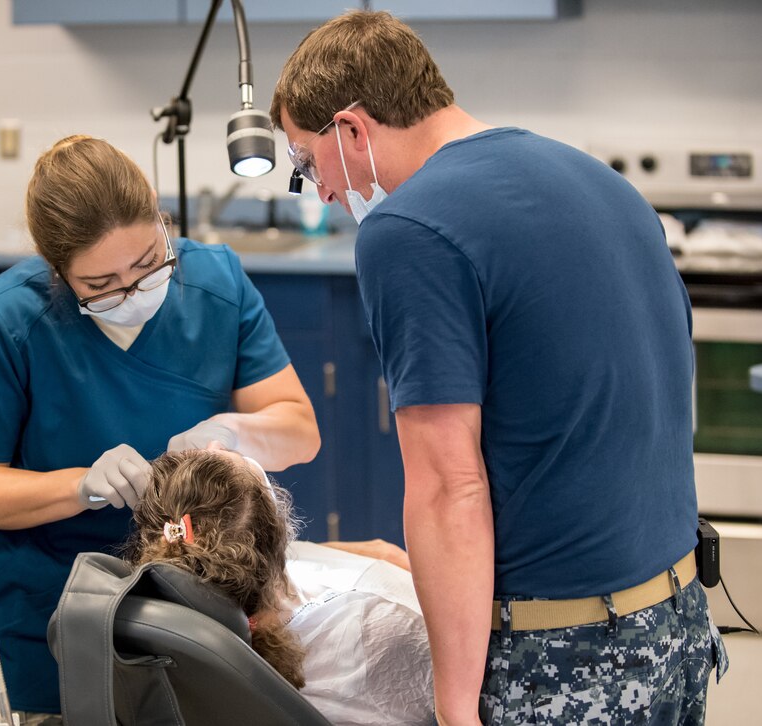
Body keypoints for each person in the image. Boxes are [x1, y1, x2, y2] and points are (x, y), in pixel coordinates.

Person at [270, 11, 727, 726]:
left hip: (566, 660)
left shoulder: (408, 231)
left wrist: (455, 707)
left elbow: (450, 488)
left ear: (352, 130)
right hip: (677, 625)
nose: (320, 192)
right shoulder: (593, 177)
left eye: (306, 161)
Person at [0, 135, 320, 721]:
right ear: (58, 273)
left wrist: (234, 431)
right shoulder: (2, 322)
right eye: (100, 286)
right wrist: (81, 486)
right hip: (32, 636)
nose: (132, 293)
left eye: (146, 265)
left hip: (178, 629)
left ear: (162, 220)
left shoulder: (216, 285)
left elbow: (299, 429)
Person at [129, 447, 435, 726]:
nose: (212, 445)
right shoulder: (379, 625)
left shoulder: (184, 626)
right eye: (237, 454)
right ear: (277, 525)